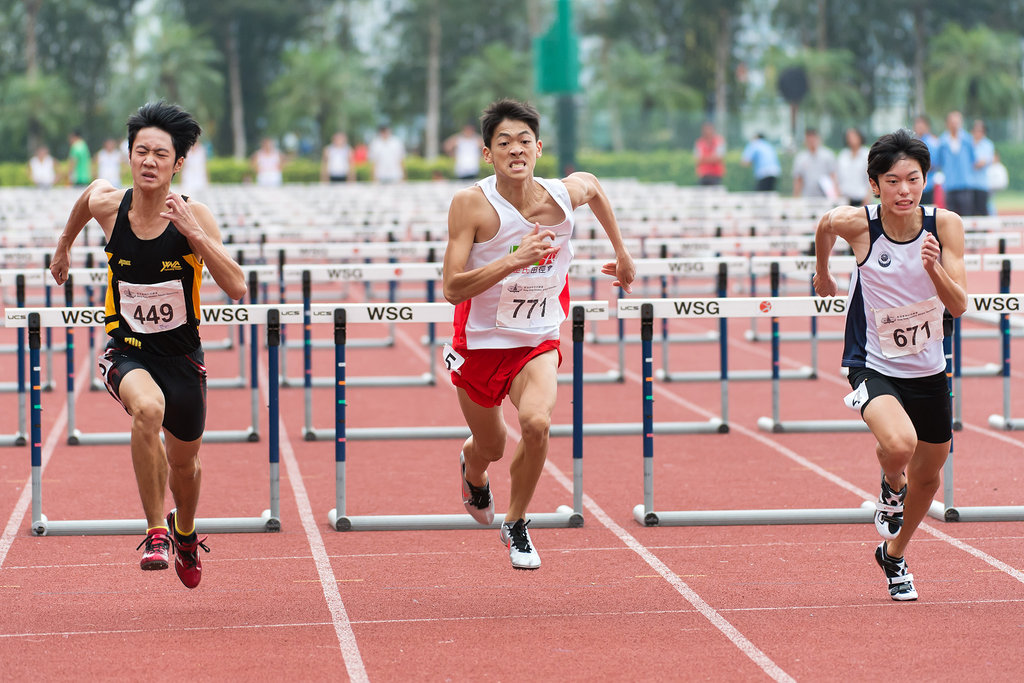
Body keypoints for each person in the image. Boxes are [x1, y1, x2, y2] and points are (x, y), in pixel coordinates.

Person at [49, 101, 247, 589]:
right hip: (127, 351)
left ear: (177, 163)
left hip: (182, 358)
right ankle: (156, 530)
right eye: (142, 151)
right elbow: (88, 195)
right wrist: (64, 244)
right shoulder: (111, 207)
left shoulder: (194, 214)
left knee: (185, 465)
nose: (149, 161)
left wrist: (194, 233)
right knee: (147, 409)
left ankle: (185, 531)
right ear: (129, 155)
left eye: (161, 153)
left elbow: (237, 286)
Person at [442, 99, 636, 569]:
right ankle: (473, 469)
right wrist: (513, 259)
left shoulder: (561, 196)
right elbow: (451, 288)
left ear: (538, 148)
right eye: (504, 142)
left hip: (538, 338)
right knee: (491, 445)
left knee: (536, 423)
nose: (516, 149)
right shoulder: (472, 204)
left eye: (524, 141)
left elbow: (593, 187)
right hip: (481, 343)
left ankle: (516, 521)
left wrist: (622, 253)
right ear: (487, 153)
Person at [812, 128, 967, 601]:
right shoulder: (859, 224)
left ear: (925, 180)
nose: (904, 190)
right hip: (872, 363)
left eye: (913, 180)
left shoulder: (945, 225)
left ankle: (894, 554)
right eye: (893, 181)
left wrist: (933, 268)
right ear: (875, 184)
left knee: (930, 475)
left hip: (929, 367)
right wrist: (823, 272)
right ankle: (890, 484)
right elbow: (825, 225)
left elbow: (959, 305)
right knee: (900, 444)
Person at [933, 111, 975, 217]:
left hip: (965, 184)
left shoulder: (967, 140)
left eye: (957, 122)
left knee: (967, 215)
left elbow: (972, 159)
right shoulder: (943, 141)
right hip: (950, 185)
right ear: (947, 124)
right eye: (952, 122)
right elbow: (939, 161)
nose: (955, 125)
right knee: (951, 216)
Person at [792, 127, 837, 198]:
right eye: (809, 138)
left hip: (825, 197)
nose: (811, 141)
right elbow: (798, 180)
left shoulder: (827, 155)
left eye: (813, 138)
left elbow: (833, 176)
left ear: (818, 138)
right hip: (807, 197)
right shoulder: (801, 158)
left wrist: (836, 195)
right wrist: (795, 197)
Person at [836, 128, 872, 206]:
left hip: (861, 197)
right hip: (845, 198)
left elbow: (871, 177)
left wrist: (868, 197)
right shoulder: (843, 155)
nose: (851, 139)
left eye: (854, 136)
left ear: (860, 137)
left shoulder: (866, 154)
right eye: (849, 137)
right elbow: (838, 177)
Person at [913, 115, 941, 205]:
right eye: (917, 125)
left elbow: (935, 163)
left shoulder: (933, 143)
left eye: (921, 125)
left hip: (929, 185)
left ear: (927, 126)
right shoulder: (912, 142)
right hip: (914, 185)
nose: (919, 127)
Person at [969, 119, 995, 216]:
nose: (978, 133)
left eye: (980, 131)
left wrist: (973, 163)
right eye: (976, 130)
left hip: (981, 184)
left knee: (982, 211)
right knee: (969, 212)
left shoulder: (988, 145)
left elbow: (982, 162)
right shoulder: (967, 143)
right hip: (969, 185)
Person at [694, 121, 726, 185]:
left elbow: (719, 158)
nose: (707, 132)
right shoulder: (699, 142)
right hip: (703, 175)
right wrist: (712, 158)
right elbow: (698, 159)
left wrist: (704, 158)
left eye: (709, 129)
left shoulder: (719, 141)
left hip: (716, 175)